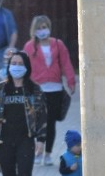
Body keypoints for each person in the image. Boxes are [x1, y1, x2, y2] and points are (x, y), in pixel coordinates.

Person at [22, 15, 76, 166]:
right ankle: (37, 152)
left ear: (49, 28)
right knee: (37, 122)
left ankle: (48, 154)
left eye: (44, 27)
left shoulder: (58, 44)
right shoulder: (29, 46)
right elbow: (24, 67)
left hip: (55, 89)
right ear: (34, 30)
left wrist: (71, 81)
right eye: (39, 28)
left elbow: (66, 64)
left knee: (50, 123)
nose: (42, 30)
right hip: (37, 89)